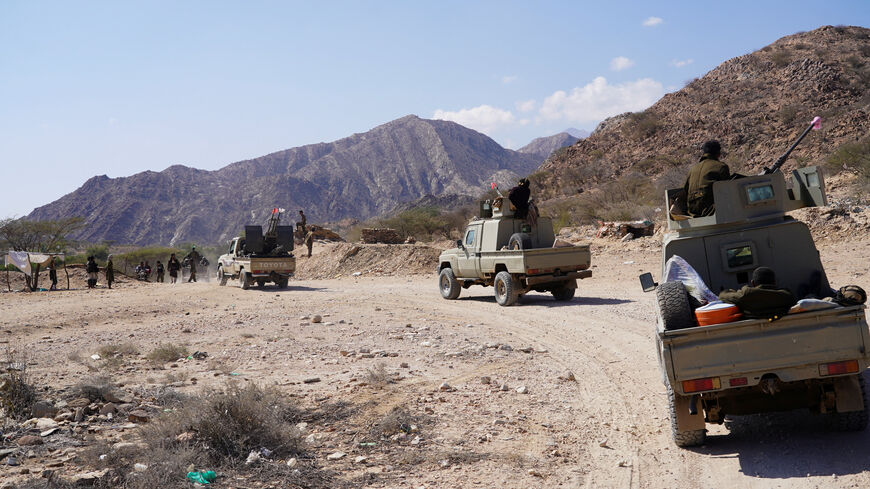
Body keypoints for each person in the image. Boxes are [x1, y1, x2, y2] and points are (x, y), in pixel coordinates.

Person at [719, 267, 797, 320]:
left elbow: (723, 296)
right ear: (774, 282)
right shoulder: (787, 296)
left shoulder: (746, 294)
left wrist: (732, 291)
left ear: (753, 283)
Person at [683, 140, 730, 217]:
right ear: (718, 154)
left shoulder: (692, 169)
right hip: (711, 211)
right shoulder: (721, 167)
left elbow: (686, 190)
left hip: (692, 212)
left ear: (704, 153)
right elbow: (727, 191)